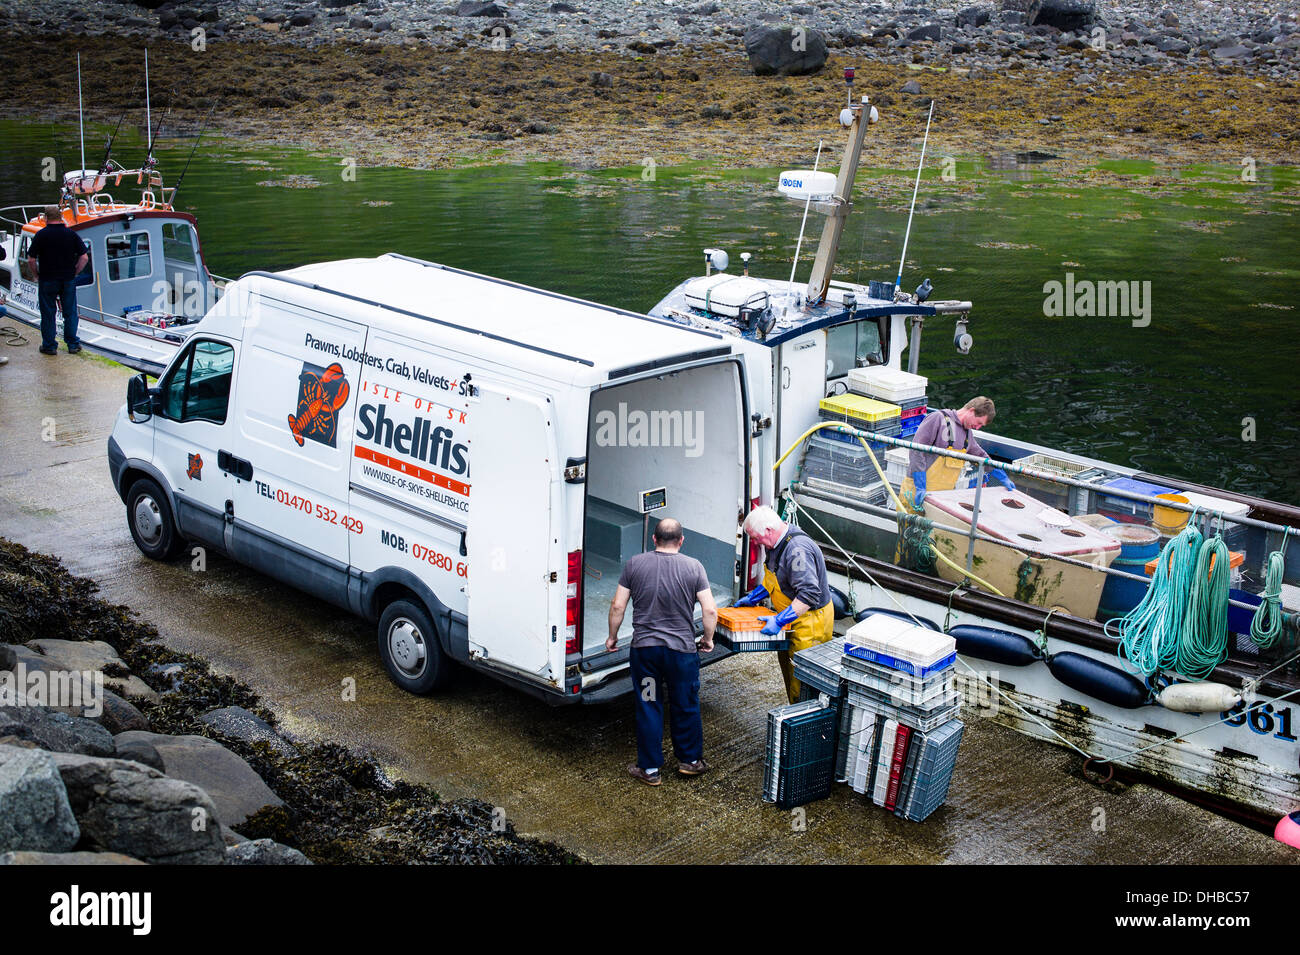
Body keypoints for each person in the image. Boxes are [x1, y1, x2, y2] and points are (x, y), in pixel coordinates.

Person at [607, 517, 718, 786]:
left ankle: (650, 769)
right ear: (681, 541)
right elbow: (710, 609)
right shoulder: (694, 567)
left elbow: (618, 606)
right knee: (685, 703)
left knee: (649, 705)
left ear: (654, 539)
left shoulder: (635, 563)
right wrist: (708, 638)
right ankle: (690, 762)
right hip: (681, 654)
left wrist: (612, 637)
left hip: (646, 655)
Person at [736, 506, 834, 703]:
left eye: (755, 538)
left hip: (810, 623)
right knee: (789, 671)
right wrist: (755, 596)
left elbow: (809, 593)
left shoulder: (797, 549)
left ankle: (804, 725)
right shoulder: (774, 543)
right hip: (792, 620)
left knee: (803, 683)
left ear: (769, 531)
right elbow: (777, 578)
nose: (754, 543)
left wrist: (780, 620)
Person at [900, 396, 1015, 513]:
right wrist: (920, 486)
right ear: (971, 411)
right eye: (979, 423)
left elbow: (980, 456)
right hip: (916, 491)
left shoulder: (967, 435)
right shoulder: (938, 419)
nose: (978, 427)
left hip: (940, 498)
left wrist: (1001, 475)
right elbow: (916, 450)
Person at [26, 204, 89, 356]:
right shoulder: (71, 234)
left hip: (47, 279)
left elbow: (31, 260)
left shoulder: (41, 235)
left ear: (46, 218)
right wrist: (75, 271)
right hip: (67, 279)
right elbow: (84, 257)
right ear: (61, 217)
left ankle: (49, 346)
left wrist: (36, 275)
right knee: (70, 312)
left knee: (48, 313)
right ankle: (73, 344)